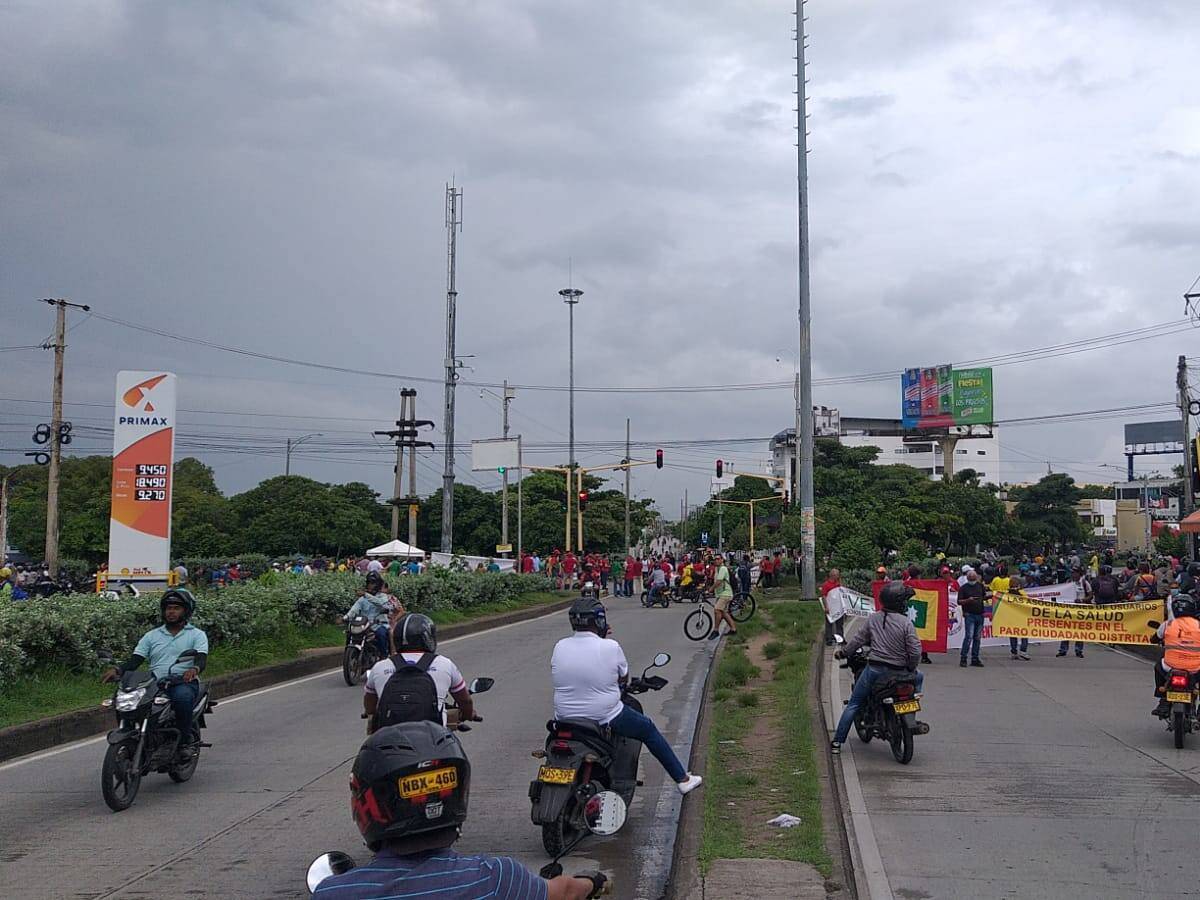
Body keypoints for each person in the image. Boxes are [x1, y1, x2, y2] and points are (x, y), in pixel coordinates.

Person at [314, 721, 606, 900]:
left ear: (367, 804)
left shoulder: (333, 893)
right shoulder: (496, 878)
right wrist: (592, 882)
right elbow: (566, 892)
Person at [551, 597, 702, 794]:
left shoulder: (560, 646)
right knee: (647, 729)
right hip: (605, 716)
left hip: (563, 717)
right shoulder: (610, 647)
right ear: (599, 621)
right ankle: (683, 779)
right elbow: (623, 679)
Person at [101, 588, 208, 759]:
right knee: (125, 700)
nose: (171, 612)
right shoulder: (152, 636)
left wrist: (193, 669)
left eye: (176, 608)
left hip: (183, 682)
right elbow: (135, 660)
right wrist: (118, 670)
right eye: (168, 608)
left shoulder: (197, 635)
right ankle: (133, 735)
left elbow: (201, 659)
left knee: (182, 699)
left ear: (186, 611)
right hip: (154, 683)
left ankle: (184, 743)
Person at [830, 582, 924, 755]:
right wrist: (911, 667)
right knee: (919, 677)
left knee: (854, 703)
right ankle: (911, 713)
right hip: (901, 672)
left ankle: (837, 742)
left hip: (875, 670)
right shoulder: (906, 623)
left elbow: (858, 640)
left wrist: (843, 653)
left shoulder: (873, 619)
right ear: (899, 603)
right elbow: (915, 650)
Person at [364, 613, 473, 731]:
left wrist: (371, 713)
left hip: (388, 741)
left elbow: (370, 705)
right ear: (428, 638)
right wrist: (469, 714)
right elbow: (464, 700)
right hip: (433, 739)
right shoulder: (445, 664)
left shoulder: (379, 667)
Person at [1152, 594, 1200, 717]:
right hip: (1195, 668)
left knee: (1158, 666)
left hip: (1170, 666)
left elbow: (1154, 639)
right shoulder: (1198, 625)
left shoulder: (1167, 624)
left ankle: (1162, 698)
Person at [344, 573, 401, 659]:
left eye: (373, 583)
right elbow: (354, 609)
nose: (370, 585)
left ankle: (383, 656)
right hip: (364, 626)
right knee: (350, 633)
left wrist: (366, 595)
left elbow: (381, 604)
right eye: (369, 583)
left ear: (378, 584)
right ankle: (349, 655)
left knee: (381, 634)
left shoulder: (383, 597)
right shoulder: (362, 599)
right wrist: (345, 617)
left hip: (379, 625)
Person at [1057, 567, 1093, 658]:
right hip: (1069, 610)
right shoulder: (1068, 582)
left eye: (1075, 572)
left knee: (1079, 631)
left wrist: (1081, 600)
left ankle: (1079, 650)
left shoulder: (1085, 583)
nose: (1073, 574)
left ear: (1079, 574)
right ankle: (1063, 650)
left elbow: (1090, 595)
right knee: (1066, 630)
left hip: (1081, 611)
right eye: (1072, 572)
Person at [956, 569, 987, 668]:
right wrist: (968, 600)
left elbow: (984, 596)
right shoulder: (964, 588)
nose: (973, 580)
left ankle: (975, 658)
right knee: (969, 636)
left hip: (980, 614)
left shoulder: (980, 586)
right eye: (971, 579)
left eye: (974, 579)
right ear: (968, 579)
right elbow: (959, 601)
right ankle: (963, 657)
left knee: (977, 638)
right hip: (969, 614)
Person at [708, 553, 737, 640]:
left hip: (726, 593)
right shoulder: (717, 569)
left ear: (722, 560)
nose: (716, 560)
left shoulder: (723, 569)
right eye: (715, 559)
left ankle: (716, 630)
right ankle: (733, 629)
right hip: (720, 594)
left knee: (717, 610)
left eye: (718, 559)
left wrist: (711, 589)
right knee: (723, 613)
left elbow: (719, 582)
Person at [819, 568, 845, 647]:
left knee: (839, 623)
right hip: (830, 607)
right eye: (837, 575)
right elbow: (823, 596)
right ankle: (829, 639)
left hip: (838, 607)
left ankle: (840, 638)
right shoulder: (826, 585)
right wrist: (826, 607)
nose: (838, 576)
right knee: (829, 623)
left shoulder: (838, 583)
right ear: (833, 575)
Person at [1007, 575, 1031, 660]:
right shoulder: (1022, 593)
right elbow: (1028, 603)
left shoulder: (1006, 594)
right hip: (1021, 616)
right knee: (1024, 634)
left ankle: (1014, 652)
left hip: (1011, 617)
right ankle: (1023, 652)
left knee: (1013, 634)